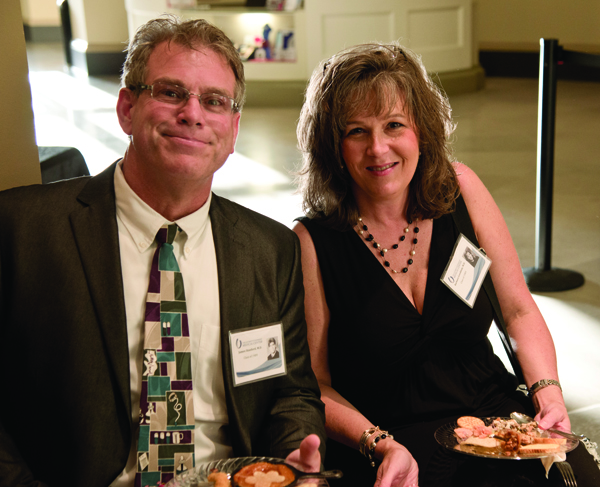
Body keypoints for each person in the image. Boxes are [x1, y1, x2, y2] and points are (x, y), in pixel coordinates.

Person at [0, 16, 325, 487]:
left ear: (232, 131)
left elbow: (291, 393)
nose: (193, 113)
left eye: (214, 101)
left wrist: (294, 453)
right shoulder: (22, 231)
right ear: (127, 108)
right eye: (171, 92)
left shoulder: (270, 250)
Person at [293, 43, 599, 487]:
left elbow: (518, 310)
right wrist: (380, 443)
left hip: (493, 418)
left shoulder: (461, 191)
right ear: (332, 146)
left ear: (421, 130)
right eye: (356, 131)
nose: (378, 149)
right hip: (391, 438)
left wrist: (546, 391)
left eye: (394, 125)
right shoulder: (312, 242)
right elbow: (315, 386)